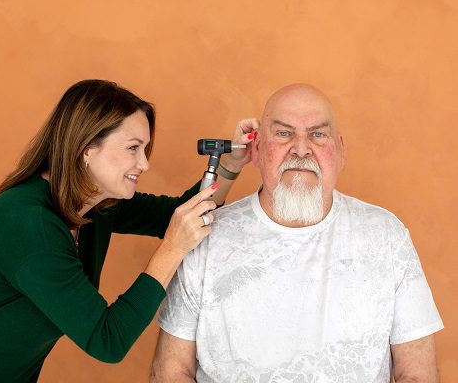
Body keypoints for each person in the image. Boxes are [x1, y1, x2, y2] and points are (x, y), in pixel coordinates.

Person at [0, 79, 258, 382]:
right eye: (133, 148)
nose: (144, 164)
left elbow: (175, 215)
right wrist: (172, 250)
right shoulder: (29, 223)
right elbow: (107, 340)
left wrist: (229, 166)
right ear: (87, 148)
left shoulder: (95, 204)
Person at [152, 84, 443, 383]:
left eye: (318, 134)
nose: (301, 148)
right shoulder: (205, 237)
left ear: (340, 150)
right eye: (283, 133)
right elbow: (170, 373)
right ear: (257, 149)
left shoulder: (385, 236)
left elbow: (417, 374)